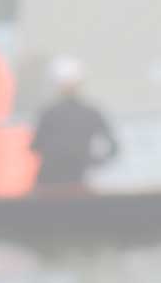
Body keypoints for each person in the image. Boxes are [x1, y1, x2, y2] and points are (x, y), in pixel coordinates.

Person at [28, 56, 117, 189]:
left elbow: (35, 146)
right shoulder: (91, 113)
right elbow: (112, 148)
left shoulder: (49, 113)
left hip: (50, 183)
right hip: (77, 181)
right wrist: (91, 161)